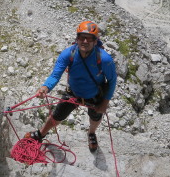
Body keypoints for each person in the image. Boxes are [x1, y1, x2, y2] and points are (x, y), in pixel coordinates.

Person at [25, 20, 117, 152]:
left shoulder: (104, 59)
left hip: (95, 94)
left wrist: (105, 103)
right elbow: (55, 75)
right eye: (82, 37)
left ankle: (91, 133)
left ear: (95, 41)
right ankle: (41, 134)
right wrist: (46, 87)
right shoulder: (68, 54)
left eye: (89, 38)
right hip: (74, 93)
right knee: (57, 116)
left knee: (95, 117)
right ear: (77, 39)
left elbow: (112, 81)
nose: (85, 41)